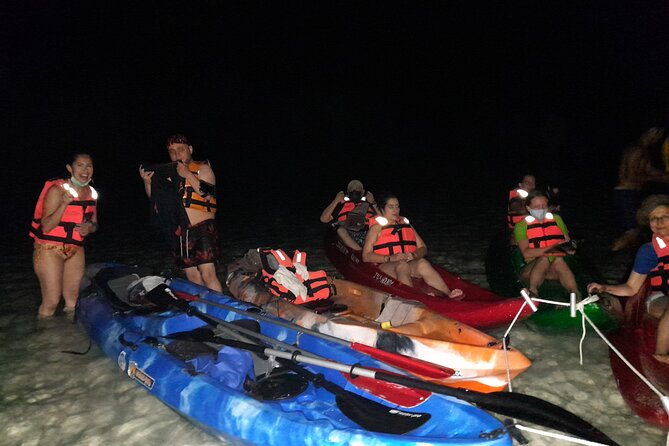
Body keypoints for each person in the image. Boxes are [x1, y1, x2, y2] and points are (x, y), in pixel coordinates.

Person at [588, 194, 669, 364]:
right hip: (660, 298)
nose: (659, 222)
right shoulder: (648, 251)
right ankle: (661, 356)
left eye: (664, 217)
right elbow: (631, 288)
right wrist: (605, 288)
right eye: (653, 218)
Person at [139, 134, 222, 292]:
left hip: (203, 228)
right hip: (182, 232)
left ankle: (222, 309)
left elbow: (208, 193)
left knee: (208, 274)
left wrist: (188, 175)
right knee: (192, 276)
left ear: (190, 150)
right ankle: (202, 306)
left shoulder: (203, 168)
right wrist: (148, 183)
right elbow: (157, 203)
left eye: (181, 150)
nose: (176, 154)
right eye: (172, 151)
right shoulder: (168, 174)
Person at [30, 153, 98, 318]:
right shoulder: (57, 190)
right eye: (80, 165)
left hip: (75, 250)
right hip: (49, 249)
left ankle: (68, 339)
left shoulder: (91, 193)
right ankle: (43, 340)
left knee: (73, 301)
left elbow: (95, 223)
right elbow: (46, 226)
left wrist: (89, 228)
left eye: (89, 166)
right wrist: (63, 204)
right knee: (51, 302)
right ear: (70, 168)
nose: (85, 170)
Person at [361, 193, 463, 298]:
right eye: (391, 207)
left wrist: (413, 255)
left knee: (422, 263)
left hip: (406, 263)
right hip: (385, 266)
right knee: (402, 264)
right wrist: (390, 258)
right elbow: (366, 256)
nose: (395, 210)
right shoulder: (376, 228)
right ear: (382, 209)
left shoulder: (406, 225)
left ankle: (448, 293)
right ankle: (411, 297)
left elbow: (423, 248)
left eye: (397, 206)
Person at [611, 127, 669, 251]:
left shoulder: (642, 150)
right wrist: (659, 179)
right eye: (658, 135)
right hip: (626, 193)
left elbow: (648, 170)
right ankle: (611, 253)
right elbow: (633, 176)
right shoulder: (638, 150)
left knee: (637, 229)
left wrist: (663, 176)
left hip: (631, 193)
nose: (659, 139)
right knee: (631, 232)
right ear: (652, 131)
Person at [513, 189, 579, 298]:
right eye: (537, 206)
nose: (541, 209)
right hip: (532, 268)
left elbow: (567, 242)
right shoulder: (521, 226)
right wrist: (551, 248)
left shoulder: (557, 219)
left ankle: (575, 294)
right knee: (543, 259)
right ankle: (533, 292)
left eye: (544, 206)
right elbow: (526, 253)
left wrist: (570, 248)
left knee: (559, 260)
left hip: (555, 267)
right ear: (529, 208)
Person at [320, 179, 378, 250]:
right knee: (340, 230)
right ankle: (360, 252)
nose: (354, 191)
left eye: (357, 189)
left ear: (362, 192)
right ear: (348, 192)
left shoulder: (369, 203)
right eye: (352, 189)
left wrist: (373, 202)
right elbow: (324, 219)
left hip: (367, 231)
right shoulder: (341, 204)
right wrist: (336, 200)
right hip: (348, 231)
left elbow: (384, 218)